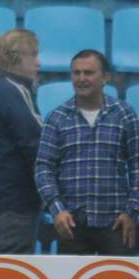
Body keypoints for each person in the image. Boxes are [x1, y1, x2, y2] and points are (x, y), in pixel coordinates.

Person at [35, 49, 139, 255]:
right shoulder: (56, 118)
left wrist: (132, 212)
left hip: (117, 224)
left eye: (88, 73)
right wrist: (57, 210)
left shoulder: (125, 115)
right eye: (76, 73)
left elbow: (137, 165)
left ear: (105, 77)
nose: (81, 78)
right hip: (72, 225)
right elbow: (43, 168)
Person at [0, 29, 43, 253]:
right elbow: (37, 144)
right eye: (33, 55)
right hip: (13, 205)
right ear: (15, 58)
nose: (38, 63)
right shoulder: (12, 91)